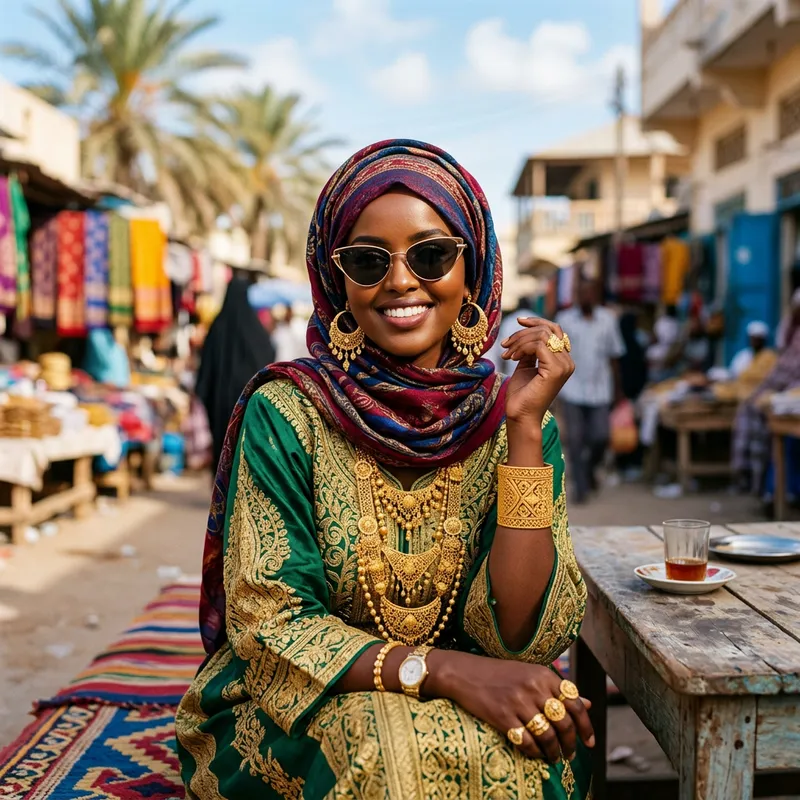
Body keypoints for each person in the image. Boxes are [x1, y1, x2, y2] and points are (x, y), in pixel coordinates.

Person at [176, 140, 593, 799]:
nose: (400, 281)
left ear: (473, 269)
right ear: (337, 281)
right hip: (307, 699)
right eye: (369, 261)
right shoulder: (288, 411)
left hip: (482, 689)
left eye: (431, 255)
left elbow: (518, 639)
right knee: (390, 757)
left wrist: (519, 429)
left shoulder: (519, 419)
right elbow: (271, 623)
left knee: (523, 756)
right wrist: (443, 672)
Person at [195, 275, 275, 473]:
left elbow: (205, 371)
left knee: (223, 455)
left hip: (219, 406)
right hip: (249, 408)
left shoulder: (217, 328)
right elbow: (268, 358)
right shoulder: (255, 330)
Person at [555, 278, 625, 503]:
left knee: (600, 436)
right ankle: (581, 488)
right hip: (572, 389)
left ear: (596, 295)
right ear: (577, 295)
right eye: (582, 293)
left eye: (590, 292)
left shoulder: (608, 320)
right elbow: (556, 356)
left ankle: (589, 470)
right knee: (575, 439)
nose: (586, 297)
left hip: (601, 390)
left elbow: (615, 356)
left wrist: (618, 391)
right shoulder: (564, 320)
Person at [732, 325, 800, 493]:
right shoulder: (744, 357)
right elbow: (777, 377)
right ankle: (761, 485)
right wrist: (758, 396)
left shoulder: (770, 357)